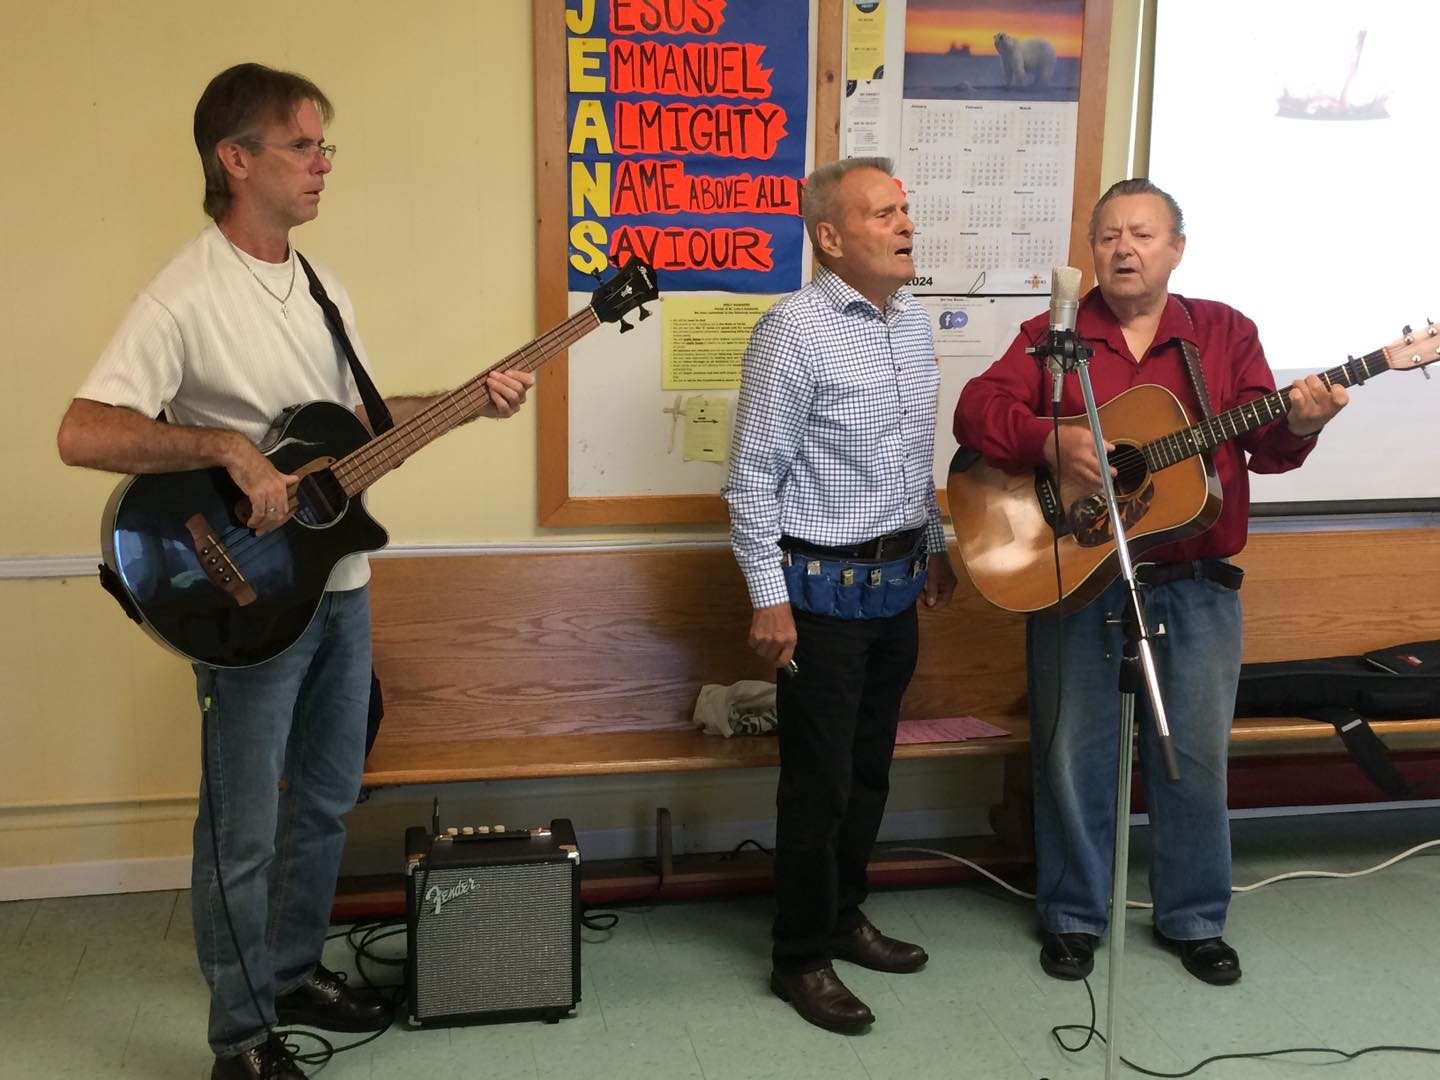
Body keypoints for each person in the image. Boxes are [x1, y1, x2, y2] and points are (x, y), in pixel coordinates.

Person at [55, 63, 532, 1079]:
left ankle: (289, 968)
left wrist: (462, 402)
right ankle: (240, 1039)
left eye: (325, 146)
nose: (324, 163)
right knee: (243, 827)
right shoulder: (182, 293)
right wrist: (224, 451)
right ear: (237, 159)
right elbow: (82, 431)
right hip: (244, 599)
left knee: (321, 800)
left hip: (335, 587)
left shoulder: (322, 287)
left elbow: (347, 435)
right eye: (303, 145)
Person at [953, 179, 1346, 987]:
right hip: (1076, 575)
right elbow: (974, 413)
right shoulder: (1052, 335)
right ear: (1092, 250)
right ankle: (1071, 917)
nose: (1123, 249)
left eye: (1140, 234)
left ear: (1175, 249)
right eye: (1107, 236)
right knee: (1072, 755)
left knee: (1194, 758)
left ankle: (1195, 919)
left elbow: (1266, 447)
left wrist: (1301, 421)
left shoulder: (1223, 334)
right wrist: (1049, 441)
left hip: (1197, 583)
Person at [722, 156, 958, 1034]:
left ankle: (843, 912)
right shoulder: (793, 331)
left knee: (868, 772)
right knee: (816, 784)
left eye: (906, 208)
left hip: (897, 585)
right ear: (830, 236)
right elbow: (751, 483)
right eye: (885, 213)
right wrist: (766, 597)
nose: (906, 225)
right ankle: (800, 955)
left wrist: (934, 545)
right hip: (817, 594)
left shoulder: (910, 322)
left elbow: (911, 456)